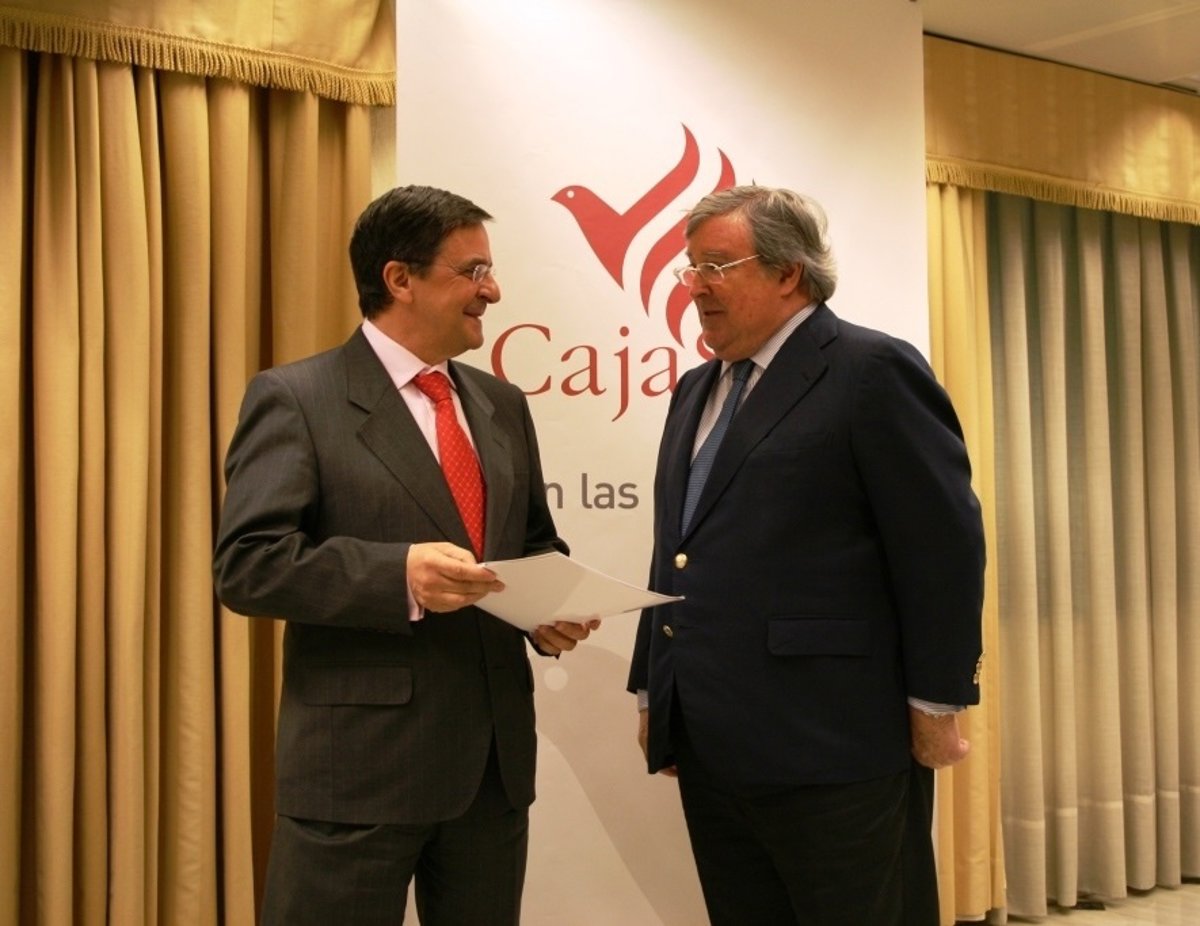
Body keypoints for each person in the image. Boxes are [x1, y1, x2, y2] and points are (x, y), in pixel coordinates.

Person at [214, 185, 596, 926]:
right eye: (473, 271)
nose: (493, 290)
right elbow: (248, 565)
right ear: (399, 279)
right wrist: (399, 576)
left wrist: (546, 609)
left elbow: (532, 542)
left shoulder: (501, 404)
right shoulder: (297, 397)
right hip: (359, 774)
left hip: (491, 774)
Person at [628, 185, 985, 926]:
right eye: (690, 268)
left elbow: (942, 550)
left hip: (834, 744)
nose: (695, 286)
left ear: (788, 272)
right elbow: (676, 552)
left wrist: (936, 702)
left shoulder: (871, 369)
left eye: (716, 266)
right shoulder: (694, 390)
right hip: (713, 742)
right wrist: (655, 693)